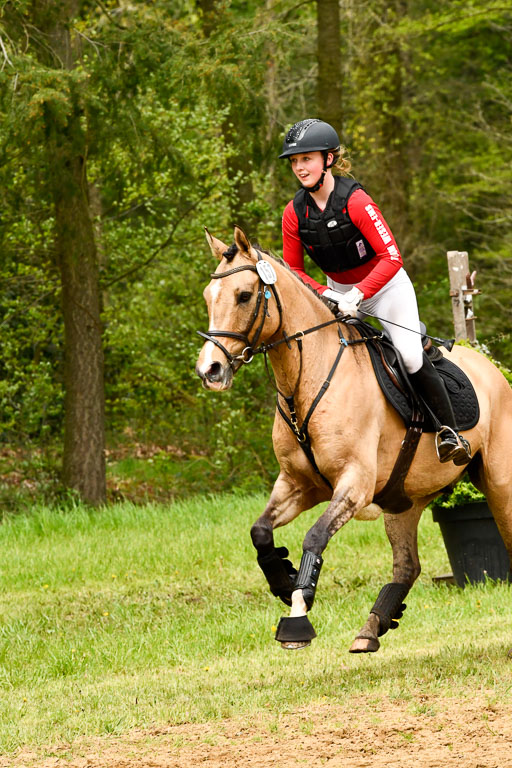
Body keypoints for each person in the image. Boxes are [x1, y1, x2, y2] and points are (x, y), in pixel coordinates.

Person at [279, 118, 471, 465]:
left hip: (385, 289)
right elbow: (293, 271)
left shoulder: (357, 201)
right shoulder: (293, 213)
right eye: (294, 161)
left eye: (306, 159)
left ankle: (449, 432)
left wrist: (359, 294)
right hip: (336, 294)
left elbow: (392, 257)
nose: (299, 167)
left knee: (410, 356)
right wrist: (328, 292)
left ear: (329, 160)